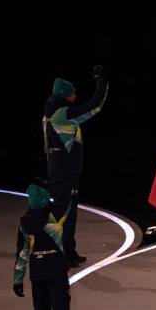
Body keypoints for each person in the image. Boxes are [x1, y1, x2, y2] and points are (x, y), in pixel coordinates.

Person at [43, 65, 109, 266]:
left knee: (63, 213)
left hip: (57, 169)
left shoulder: (50, 111)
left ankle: (67, 251)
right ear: (64, 95)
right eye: (72, 92)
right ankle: (63, 255)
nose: (75, 94)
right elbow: (95, 106)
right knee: (66, 216)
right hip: (65, 172)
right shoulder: (63, 114)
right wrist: (101, 81)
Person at [13, 181, 78, 310]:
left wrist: (18, 280)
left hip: (37, 273)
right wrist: (50, 186)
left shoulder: (24, 223)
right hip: (56, 271)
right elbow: (67, 199)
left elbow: (22, 253)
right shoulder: (55, 216)